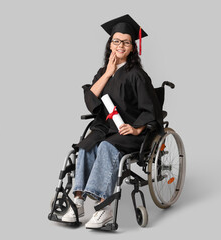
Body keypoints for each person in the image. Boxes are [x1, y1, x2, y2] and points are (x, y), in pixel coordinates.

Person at [61, 14, 162, 229]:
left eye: (125, 42)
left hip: (128, 131)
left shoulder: (137, 75)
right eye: (116, 41)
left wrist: (136, 129)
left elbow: (150, 109)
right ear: (110, 44)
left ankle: (103, 207)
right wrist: (107, 73)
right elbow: (91, 100)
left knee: (106, 147)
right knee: (87, 145)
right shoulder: (102, 72)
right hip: (106, 127)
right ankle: (78, 201)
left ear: (132, 47)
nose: (120, 45)